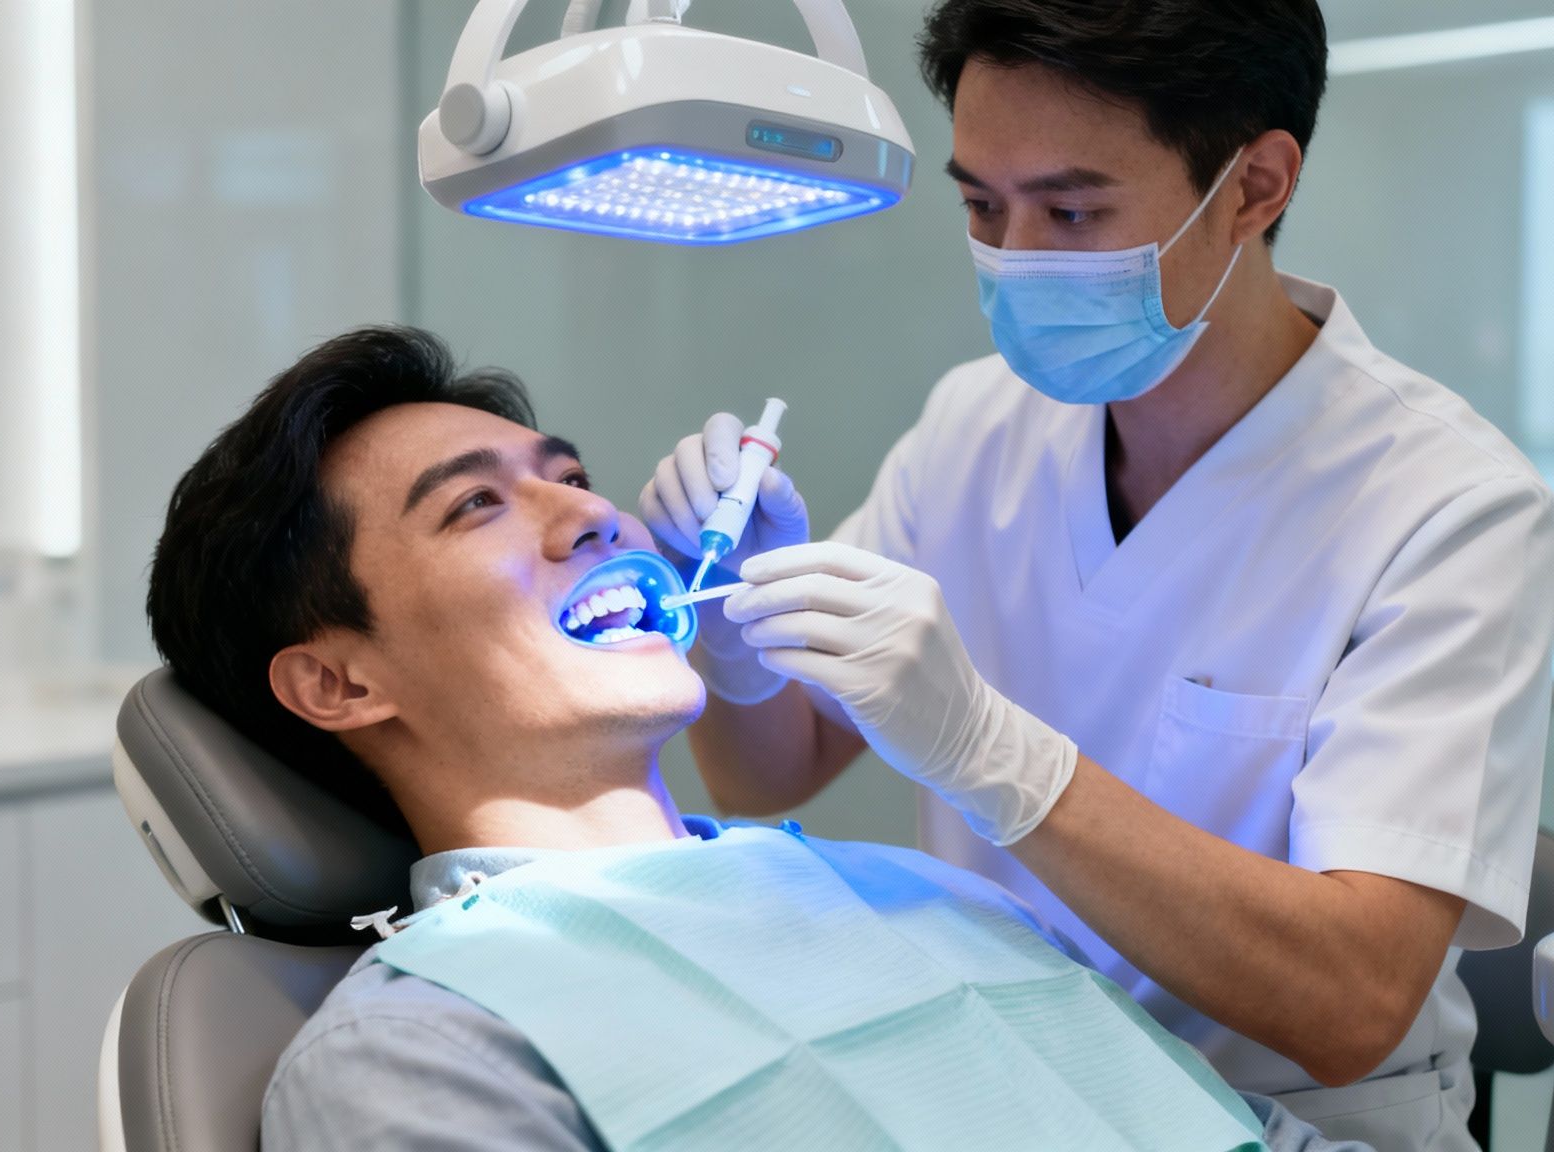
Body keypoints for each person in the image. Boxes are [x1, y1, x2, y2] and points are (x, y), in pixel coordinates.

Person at [639, 3, 1554, 1149]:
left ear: (1254, 187)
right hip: (1005, 1092)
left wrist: (993, 756)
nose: (1014, 261)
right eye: (980, 205)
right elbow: (765, 775)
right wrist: (737, 625)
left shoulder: (1448, 505)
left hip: (1292, 1117)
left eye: (1072, 211)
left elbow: (1352, 1003)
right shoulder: (974, 426)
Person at [146, 325, 1366, 1151]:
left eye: (567, 475)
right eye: (477, 505)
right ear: (336, 683)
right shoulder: (422, 1053)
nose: (590, 512)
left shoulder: (922, 896)